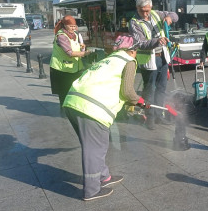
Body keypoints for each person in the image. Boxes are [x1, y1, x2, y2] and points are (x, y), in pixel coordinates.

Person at [62, 35, 150, 201]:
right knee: (95, 149)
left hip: (73, 101)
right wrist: (141, 102)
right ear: (132, 50)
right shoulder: (128, 61)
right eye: (136, 50)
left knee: (94, 146)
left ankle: (104, 176)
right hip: (92, 108)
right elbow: (128, 92)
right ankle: (92, 190)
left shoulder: (110, 59)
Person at [129, 0, 179, 130]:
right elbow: (140, 43)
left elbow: (175, 14)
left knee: (161, 88)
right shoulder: (134, 22)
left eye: (147, 10)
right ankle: (149, 117)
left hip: (162, 56)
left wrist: (170, 18)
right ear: (137, 8)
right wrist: (157, 41)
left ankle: (159, 115)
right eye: (142, 11)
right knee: (149, 90)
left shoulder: (156, 14)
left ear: (151, 8)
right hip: (149, 60)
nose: (145, 14)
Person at [50, 15, 90, 107]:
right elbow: (70, 53)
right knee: (64, 92)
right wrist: (85, 53)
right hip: (62, 69)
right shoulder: (61, 36)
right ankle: (64, 110)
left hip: (73, 68)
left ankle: (71, 106)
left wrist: (81, 46)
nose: (73, 28)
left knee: (74, 89)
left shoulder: (74, 35)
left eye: (74, 26)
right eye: (71, 26)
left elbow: (73, 46)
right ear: (65, 25)